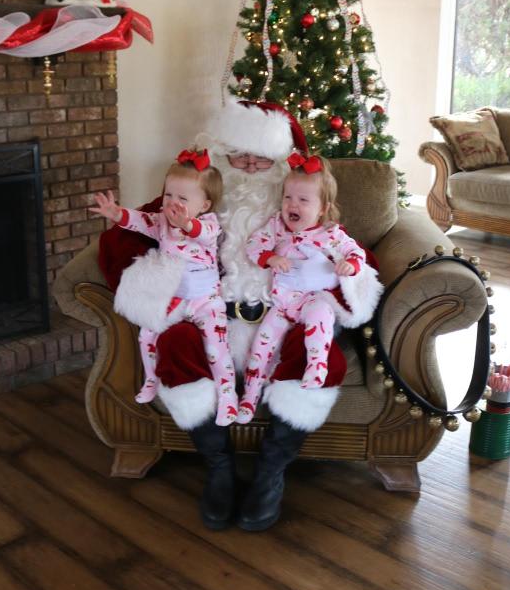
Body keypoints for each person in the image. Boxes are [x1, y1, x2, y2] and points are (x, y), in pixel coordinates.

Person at [98, 99, 381, 532]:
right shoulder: (196, 197)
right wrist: (147, 269)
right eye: (238, 155)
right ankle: (219, 468)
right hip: (209, 316)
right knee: (174, 345)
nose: (249, 165)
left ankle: (270, 472)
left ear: (282, 161)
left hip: (285, 316)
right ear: (219, 155)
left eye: (261, 157)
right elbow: (130, 236)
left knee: (322, 357)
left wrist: (341, 275)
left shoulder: (303, 208)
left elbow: (352, 255)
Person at [90, 149, 238, 427]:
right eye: (168, 195)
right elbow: (138, 221)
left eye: (183, 199)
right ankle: (152, 379)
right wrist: (117, 213)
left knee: (216, 348)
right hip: (176, 298)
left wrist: (186, 223)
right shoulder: (161, 221)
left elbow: (204, 235)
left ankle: (228, 396)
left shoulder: (209, 224)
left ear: (204, 205)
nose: (173, 203)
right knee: (147, 334)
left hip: (206, 301)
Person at [237, 153, 369, 425]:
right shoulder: (277, 226)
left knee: (322, 314)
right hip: (282, 304)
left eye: (303, 200)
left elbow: (356, 252)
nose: (292, 205)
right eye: (288, 197)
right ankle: (249, 396)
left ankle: (316, 367)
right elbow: (254, 244)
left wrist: (350, 264)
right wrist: (270, 258)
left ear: (323, 208)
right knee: (261, 346)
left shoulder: (331, 233)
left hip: (313, 299)